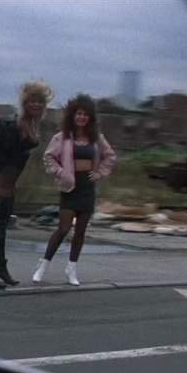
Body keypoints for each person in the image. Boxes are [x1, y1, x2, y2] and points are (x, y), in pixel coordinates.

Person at [0, 81, 53, 289]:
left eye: (40, 102)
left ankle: (0, 267)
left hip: (9, 181)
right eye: (32, 101)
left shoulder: (30, 124)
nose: (36, 105)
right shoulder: (17, 124)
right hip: (2, 179)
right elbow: (3, 152)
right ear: (25, 104)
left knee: (2, 225)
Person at [32, 94, 116, 286]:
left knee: (80, 232)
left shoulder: (97, 138)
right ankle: (43, 265)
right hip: (69, 188)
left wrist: (100, 173)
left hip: (87, 188)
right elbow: (49, 157)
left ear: (90, 118)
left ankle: (72, 268)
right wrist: (60, 172)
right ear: (73, 115)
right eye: (79, 113)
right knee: (63, 228)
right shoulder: (62, 137)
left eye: (85, 114)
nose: (82, 117)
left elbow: (110, 157)